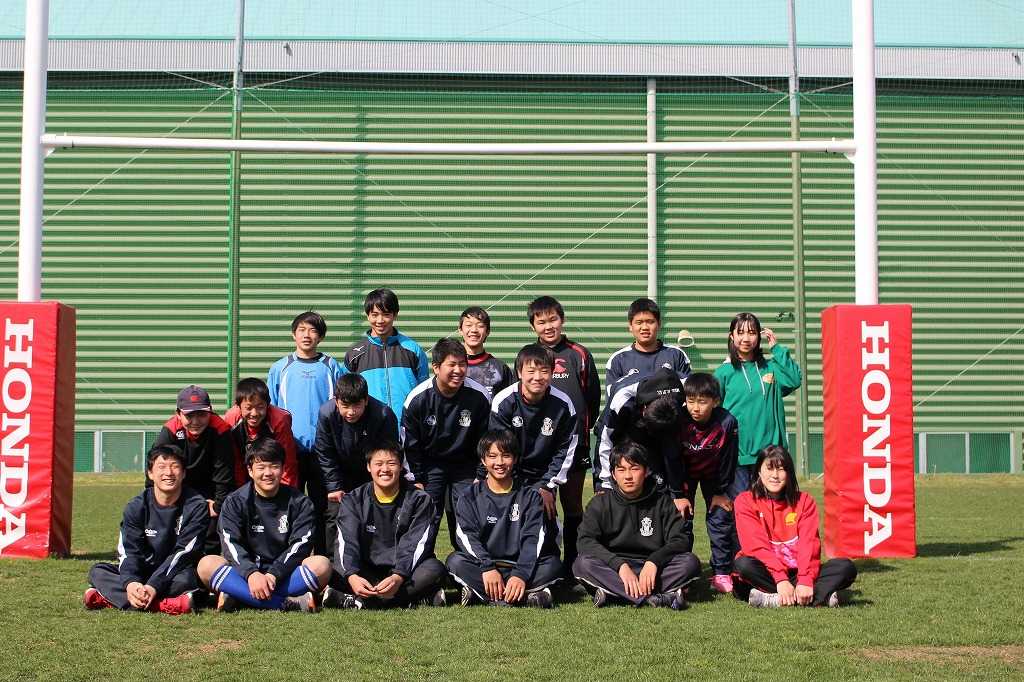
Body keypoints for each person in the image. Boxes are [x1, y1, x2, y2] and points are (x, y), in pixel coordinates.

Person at [196, 439, 332, 612]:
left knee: (322, 565)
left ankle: (238, 595)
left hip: (284, 575)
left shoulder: (300, 502)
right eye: (261, 467)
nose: (268, 473)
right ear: (250, 470)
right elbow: (230, 543)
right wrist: (251, 573)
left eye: (274, 466)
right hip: (245, 574)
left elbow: (301, 545)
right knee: (206, 565)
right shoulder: (235, 501)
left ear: (283, 469)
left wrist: (274, 574)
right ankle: (287, 603)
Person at [574, 442, 701, 609]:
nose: (628, 476)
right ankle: (654, 597)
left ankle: (614, 594)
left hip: (654, 569)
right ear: (613, 474)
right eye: (621, 470)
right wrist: (620, 565)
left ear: (646, 471)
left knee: (690, 563)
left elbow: (680, 540)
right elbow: (585, 541)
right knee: (582, 564)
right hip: (614, 569)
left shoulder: (663, 502)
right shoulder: (600, 503)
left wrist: (654, 561)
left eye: (634, 469)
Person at [84, 444, 208, 614]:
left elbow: (184, 553)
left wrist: (153, 585)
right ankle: (163, 605)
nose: (168, 473)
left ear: (184, 473)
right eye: (161, 467)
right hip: (143, 571)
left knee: (187, 580)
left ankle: (109, 598)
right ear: (150, 473)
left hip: (175, 572)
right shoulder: (136, 506)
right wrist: (131, 583)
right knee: (98, 571)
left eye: (175, 466)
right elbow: (129, 551)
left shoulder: (196, 505)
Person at [447, 429, 561, 608]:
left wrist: (520, 574)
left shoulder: (530, 496)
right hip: (486, 567)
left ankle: (483, 595)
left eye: (506, 456)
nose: (499, 462)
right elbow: (466, 537)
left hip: (520, 566)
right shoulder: (469, 496)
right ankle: (527, 596)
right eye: (492, 456)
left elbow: (533, 539)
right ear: (483, 460)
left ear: (514, 459)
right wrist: (488, 567)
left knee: (552, 565)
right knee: (455, 562)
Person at [325, 441, 447, 609]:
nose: (385, 469)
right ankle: (412, 599)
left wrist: (398, 576)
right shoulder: (353, 499)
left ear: (401, 466)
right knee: (334, 570)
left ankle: (357, 601)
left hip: (404, 572)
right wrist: (352, 576)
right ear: (369, 467)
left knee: (434, 569)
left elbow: (416, 544)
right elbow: (347, 541)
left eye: (391, 463)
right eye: (379, 464)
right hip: (366, 570)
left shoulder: (420, 500)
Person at [527, 296, 599, 573]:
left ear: (562, 320)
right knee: (541, 505)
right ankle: (546, 564)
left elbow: (591, 399)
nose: (548, 326)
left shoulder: (579, 354)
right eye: (541, 322)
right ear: (533, 326)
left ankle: (572, 566)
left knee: (572, 507)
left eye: (553, 320)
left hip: (574, 445)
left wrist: (579, 430)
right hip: (539, 448)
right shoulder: (528, 356)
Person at [733, 446, 857, 608]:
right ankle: (818, 596)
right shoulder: (745, 501)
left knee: (845, 567)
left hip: (797, 573)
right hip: (765, 572)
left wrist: (805, 580)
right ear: (759, 472)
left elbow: (809, 543)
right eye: (769, 469)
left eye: (781, 469)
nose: (775, 475)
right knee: (743, 565)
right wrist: (781, 579)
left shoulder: (804, 501)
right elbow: (755, 546)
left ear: (789, 473)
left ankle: (774, 599)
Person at [266, 311, 344, 555]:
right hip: (290, 452)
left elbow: (342, 407)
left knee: (325, 509)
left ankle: (324, 562)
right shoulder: (280, 368)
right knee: (288, 508)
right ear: (293, 334)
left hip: (324, 452)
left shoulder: (332, 366)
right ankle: (288, 560)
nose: (307, 335)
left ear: (321, 336)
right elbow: (271, 410)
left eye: (313, 330)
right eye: (302, 330)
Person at [401, 338, 492, 547]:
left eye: (462, 364)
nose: (458, 370)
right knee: (426, 518)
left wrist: (480, 475)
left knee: (467, 518)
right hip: (429, 466)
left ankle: (466, 562)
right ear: (436, 367)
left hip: (466, 466)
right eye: (452, 365)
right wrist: (416, 478)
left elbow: (486, 439)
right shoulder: (417, 399)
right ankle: (422, 563)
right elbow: (409, 444)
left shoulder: (479, 396)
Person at [713, 312, 802, 499]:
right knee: (743, 508)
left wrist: (777, 349)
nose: (746, 338)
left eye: (752, 333)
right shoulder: (723, 372)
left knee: (772, 509)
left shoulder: (771, 368)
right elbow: (713, 411)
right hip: (737, 457)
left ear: (759, 336)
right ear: (732, 336)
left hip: (770, 455)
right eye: (740, 333)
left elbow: (794, 379)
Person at [314, 373, 398, 557]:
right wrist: (334, 486)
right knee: (334, 514)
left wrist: (379, 483)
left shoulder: (383, 414)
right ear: (336, 401)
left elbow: (388, 453)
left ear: (366, 400)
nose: (351, 412)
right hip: (338, 472)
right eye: (345, 406)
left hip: (370, 473)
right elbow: (324, 452)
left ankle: (376, 560)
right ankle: (331, 562)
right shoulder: (326, 413)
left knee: (373, 515)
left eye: (357, 406)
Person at [490, 344, 578, 519]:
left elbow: (565, 449)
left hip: (545, 476)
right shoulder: (504, 402)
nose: (537, 377)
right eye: (531, 371)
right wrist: (512, 483)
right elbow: (499, 449)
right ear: (519, 372)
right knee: (509, 522)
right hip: (510, 474)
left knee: (543, 522)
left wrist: (547, 486)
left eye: (544, 371)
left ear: (552, 373)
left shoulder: (564, 404)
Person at [674, 372, 739, 594]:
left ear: (715, 401)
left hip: (714, 476)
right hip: (684, 474)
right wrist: (677, 493)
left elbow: (729, 459)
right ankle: (681, 574)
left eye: (702, 402)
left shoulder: (727, 422)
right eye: (691, 401)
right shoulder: (678, 419)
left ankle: (721, 571)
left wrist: (720, 492)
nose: (696, 408)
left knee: (720, 519)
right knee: (681, 520)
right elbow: (671, 457)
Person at [149, 384, 233, 553]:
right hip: (179, 485)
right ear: (178, 414)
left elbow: (224, 472)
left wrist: (217, 506)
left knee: (210, 529)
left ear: (210, 411)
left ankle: (206, 561)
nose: (195, 421)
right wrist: (154, 501)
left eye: (202, 414)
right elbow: (155, 467)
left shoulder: (221, 430)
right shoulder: (170, 430)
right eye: (189, 415)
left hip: (209, 487)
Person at [593, 367, 687, 501]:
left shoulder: (686, 388)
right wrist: (603, 485)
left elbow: (672, 449)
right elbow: (605, 440)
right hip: (627, 427)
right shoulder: (622, 399)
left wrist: (677, 493)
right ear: (644, 409)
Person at [341, 288, 429, 422]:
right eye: (374, 315)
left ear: (395, 315)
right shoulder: (354, 355)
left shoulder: (413, 350)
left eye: (386, 314)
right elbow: (346, 395)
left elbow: (424, 392)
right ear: (367, 316)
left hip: (407, 426)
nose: (380, 320)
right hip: (370, 428)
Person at [604, 298, 691, 397]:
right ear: (630, 326)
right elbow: (612, 400)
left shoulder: (676, 355)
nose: (645, 327)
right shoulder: (618, 360)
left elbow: (689, 395)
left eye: (650, 322)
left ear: (659, 324)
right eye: (639, 322)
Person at [223, 377, 299, 489]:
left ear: (268, 405)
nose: (254, 413)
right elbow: (234, 460)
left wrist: (285, 493)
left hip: (271, 468)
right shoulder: (231, 419)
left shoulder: (280, 420)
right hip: (245, 468)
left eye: (260, 407)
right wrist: (240, 491)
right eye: (248, 408)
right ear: (238, 406)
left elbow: (287, 462)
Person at [459, 306, 515, 401]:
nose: (474, 330)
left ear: (487, 331)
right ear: (460, 330)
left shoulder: (500, 368)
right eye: (468, 325)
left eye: (480, 326)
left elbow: (509, 402)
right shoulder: (454, 366)